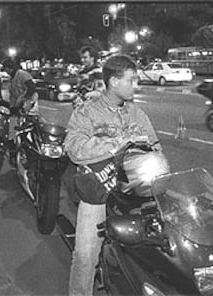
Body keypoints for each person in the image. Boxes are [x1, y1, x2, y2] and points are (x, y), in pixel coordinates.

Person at [65, 54, 160, 296]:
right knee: (85, 256)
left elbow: (156, 147)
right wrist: (114, 145)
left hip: (135, 193)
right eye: (132, 80)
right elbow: (74, 149)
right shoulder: (88, 112)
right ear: (114, 81)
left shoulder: (137, 114)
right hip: (99, 193)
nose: (136, 85)